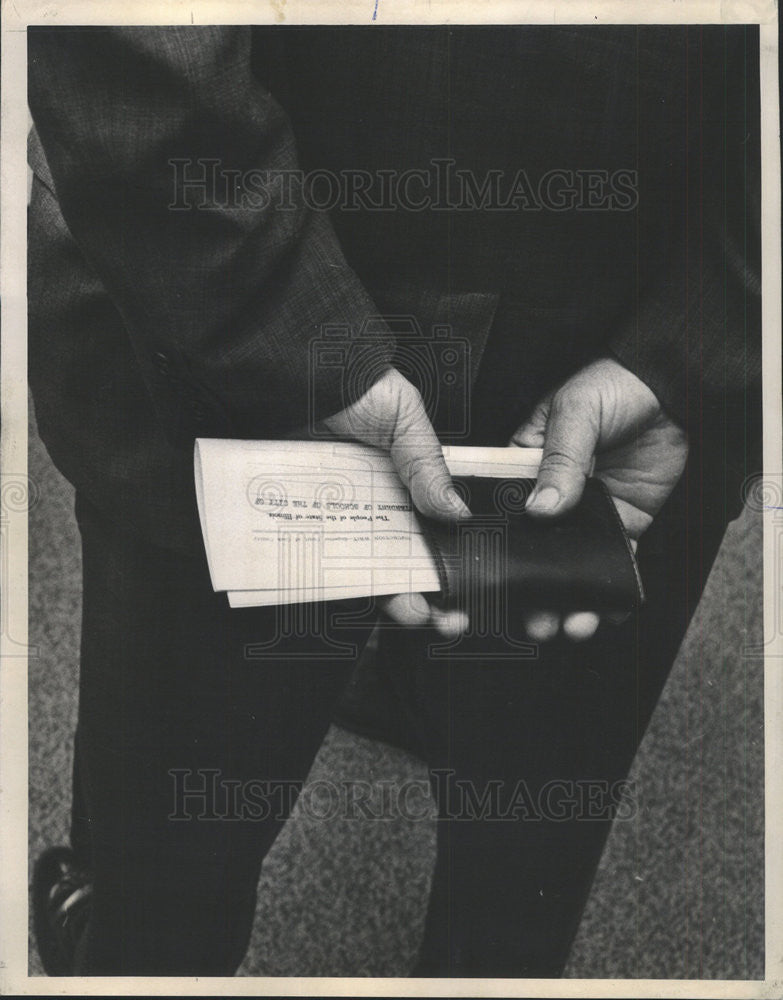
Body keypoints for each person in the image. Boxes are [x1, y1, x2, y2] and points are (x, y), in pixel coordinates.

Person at [28, 24, 761, 976]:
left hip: (257, 288)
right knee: (524, 822)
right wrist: (708, 330)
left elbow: (136, 44)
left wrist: (704, 335)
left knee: (180, 810)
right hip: (613, 310)